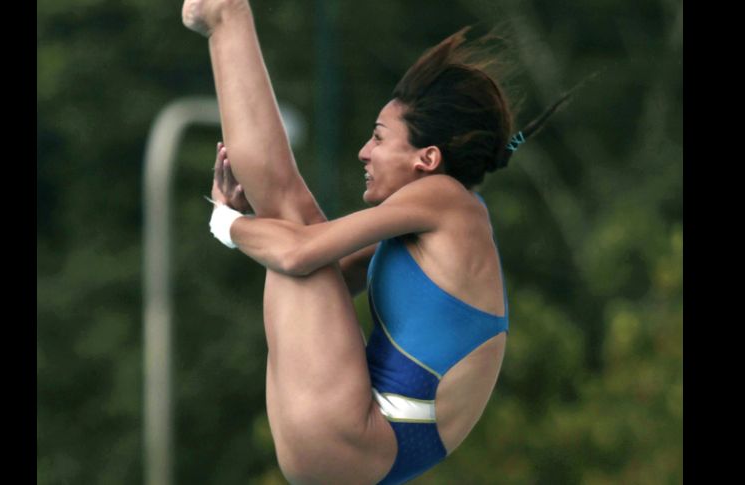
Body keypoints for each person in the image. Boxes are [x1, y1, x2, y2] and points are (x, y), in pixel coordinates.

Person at [183, 1, 574, 483]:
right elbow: (320, 271)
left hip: (356, 436)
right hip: (355, 449)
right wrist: (243, 224)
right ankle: (224, 18)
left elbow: (297, 252)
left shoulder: (446, 199)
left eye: (379, 137)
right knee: (293, 217)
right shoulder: (441, 224)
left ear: (426, 159)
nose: (364, 152)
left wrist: (223, 223)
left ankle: (226, 15)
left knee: (290, 213)